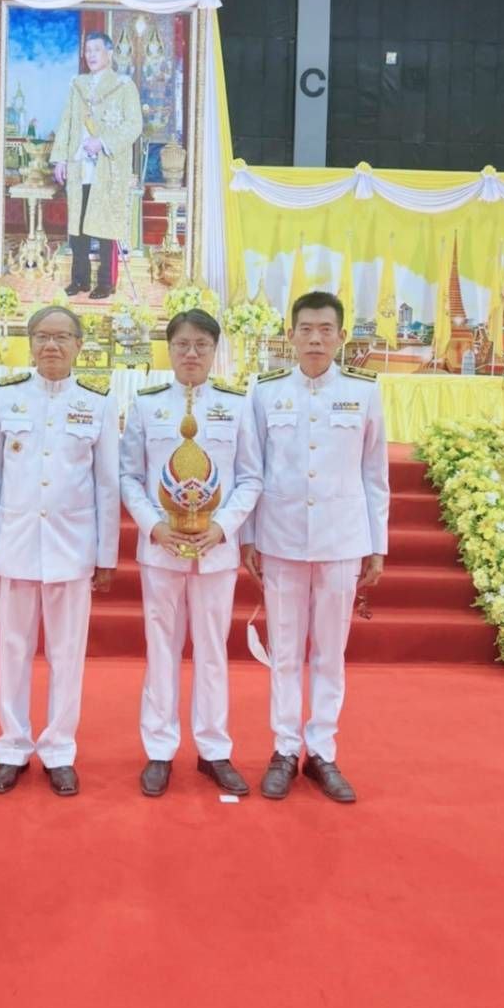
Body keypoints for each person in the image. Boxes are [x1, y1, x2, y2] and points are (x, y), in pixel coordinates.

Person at [242, 291, 389, 804]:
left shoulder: (364, 391)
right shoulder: (264, 391)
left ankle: (322, 751)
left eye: (326, 330)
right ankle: (284, 749)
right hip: (281, 537)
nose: (315, 339)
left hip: (341, 539)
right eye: (305, 329)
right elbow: (251, 469)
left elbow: (375, 473)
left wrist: (377, 544)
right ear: (290, 335)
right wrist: (248, 536)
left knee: (330, 652)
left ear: (341, 337)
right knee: (285, 650)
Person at [0, 305, 120, 796]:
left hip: (72, 548)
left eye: (61, 337)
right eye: (42, 336)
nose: (51, 346)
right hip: (15, 543)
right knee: (13, 651)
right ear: (30, 343)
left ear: (79, 345)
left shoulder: (98, 402)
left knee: (67, 653)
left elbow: (107, 485)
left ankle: (59, 748)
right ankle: (12, 747)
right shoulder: (5, 395)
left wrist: (105, 555)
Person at [120, 309, 262, 797]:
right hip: (162, 549)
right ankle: (159, 749)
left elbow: (251, 477)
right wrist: (154, 526)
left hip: (215, 551)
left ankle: (213, 749)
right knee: (161, 647)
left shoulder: (236, 405)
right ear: (170, 349)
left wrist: (223, 528)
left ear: (215, 350)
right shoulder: (147, 405)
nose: (191, 353)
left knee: (212, 649)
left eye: (202, 344)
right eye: (182, 344)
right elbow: (129, 475)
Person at [51, 31, 143, 300]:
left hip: (108, 168)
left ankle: (106, 282)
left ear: (109, 53)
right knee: (78, 225)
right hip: (79, 166)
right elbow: (66, 122)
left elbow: (134, 125)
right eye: (87, 50)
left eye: (96, 50)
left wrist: (102, 142)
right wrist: (60, 159)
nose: (91, 55)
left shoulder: (124, 86)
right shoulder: (77, 85)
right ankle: (79, 279)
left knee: (106, 226)